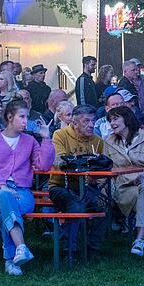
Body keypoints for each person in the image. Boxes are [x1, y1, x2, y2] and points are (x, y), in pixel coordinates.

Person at [0, 100, 54, 275]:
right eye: (22, 116)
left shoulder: (29, 140)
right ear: (9, 117)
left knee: (7, 209)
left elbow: (43, 166)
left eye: (27, 117)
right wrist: (2, 186)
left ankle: (12, 258)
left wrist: (46, 139)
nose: (25, 121)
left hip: (22, 192)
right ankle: (19, 249)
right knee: (6, 199)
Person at [103, 106, 144, 267]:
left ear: (127, 119)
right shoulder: (109, 142)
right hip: (126, 188)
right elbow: (105, 169)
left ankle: (139, 238)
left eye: (116, 119)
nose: (112, 123)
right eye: (110, 120)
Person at [47, 105, 108, 254]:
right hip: (60, 186)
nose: (91, 125)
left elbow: (102, 165)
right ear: (74, 123)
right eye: (86, 121)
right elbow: (61, 160)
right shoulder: (60, 135)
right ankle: (70, 250)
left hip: (87, 187)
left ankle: (93, 248)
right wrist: (87, 163)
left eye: (93, 121)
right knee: (77, 206)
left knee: (104, 204)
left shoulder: (98, 141)